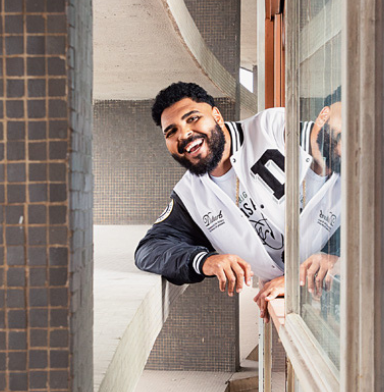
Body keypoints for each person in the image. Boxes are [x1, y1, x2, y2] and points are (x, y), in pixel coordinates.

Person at [134, 82, 339, 319]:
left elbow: (338, 153)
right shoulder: (190, 195)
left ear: (217, 115)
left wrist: (332, 258)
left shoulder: (270, 127)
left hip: (350, 277)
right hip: (296, 308)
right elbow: (149, 250)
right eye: (171, 132)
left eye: (192, 119)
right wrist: (206, 261)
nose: (184, 134)